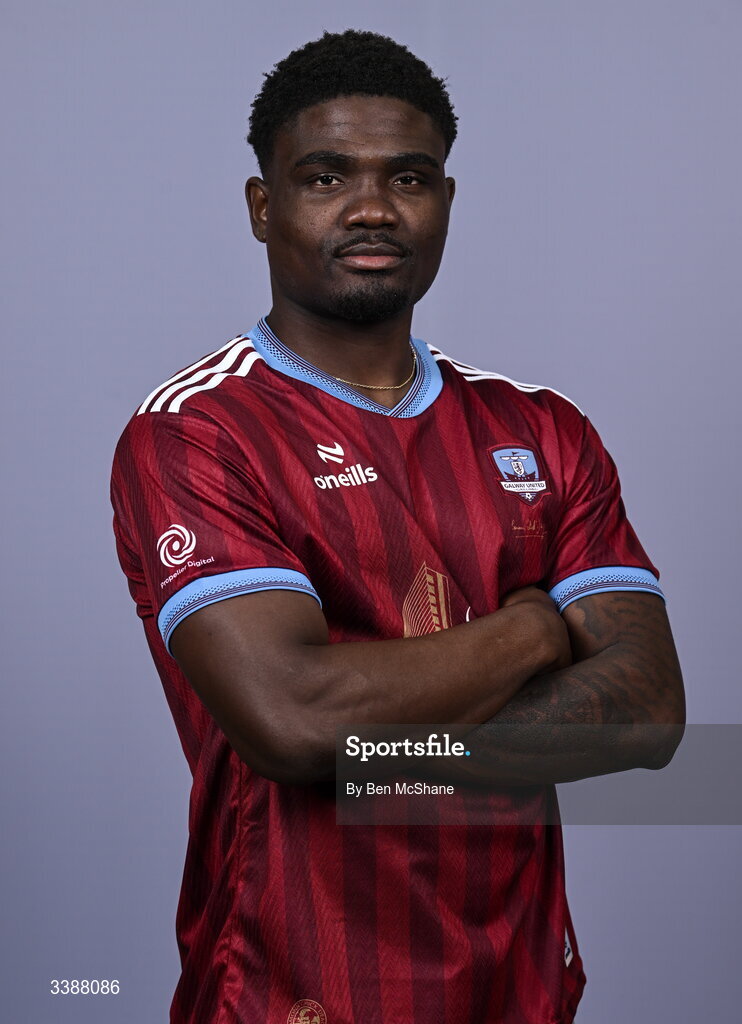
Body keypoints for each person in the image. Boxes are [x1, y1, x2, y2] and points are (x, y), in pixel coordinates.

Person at [110, 28, 684, 1024]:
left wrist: (370, 751)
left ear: (445, 202)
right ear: (263, 206)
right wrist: (531, 632)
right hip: (297, 990)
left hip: (520, 986)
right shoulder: (198, 431)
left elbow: (647, 709)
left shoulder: (541, 429)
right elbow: (294, 722)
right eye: (326, 176)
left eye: (407, 178)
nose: (372, 208)